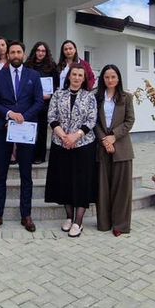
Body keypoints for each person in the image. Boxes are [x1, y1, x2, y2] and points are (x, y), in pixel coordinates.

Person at [0, 41, 44, 232]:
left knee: (26, 175)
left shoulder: (33, 76)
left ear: (24, 54)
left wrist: (23, 118)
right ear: (8, 55)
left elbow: (38, 101)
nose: (15, 55)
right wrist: (10, 114)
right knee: (0, 175)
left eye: (19, 51)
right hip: (3, 129)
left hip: (26, 130)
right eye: (12, 52)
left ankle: (26, 215)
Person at [45, 63, 98, 238]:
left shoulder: (90, 97)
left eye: (80, 75)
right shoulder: (58, 94)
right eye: (74, 74)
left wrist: (75, 136)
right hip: (61, 144)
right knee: (65, 181)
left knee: (81, 183)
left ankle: (78, 222)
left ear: (84, 78)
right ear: (69, 76)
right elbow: (51, 116)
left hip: (83, 145)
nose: (76, 78)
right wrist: (64, 137)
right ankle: (69, 217)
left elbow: (91, 120)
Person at [94, 64, 135, 236]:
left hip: (122, 149)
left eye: (113, 77)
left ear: (118, 78)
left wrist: (113, 137)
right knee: (102, 188)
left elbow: (129, 121)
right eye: (107, 77)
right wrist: (105, 139)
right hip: (102, 147)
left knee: (122, 189)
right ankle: (104, 222)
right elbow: (94, 122)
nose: (110, 80)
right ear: (102, 79)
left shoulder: (126, 97)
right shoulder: (96, 97)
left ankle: (120, 224)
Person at [25, 42, 59, 165]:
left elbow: (56, 85)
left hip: (45, 104)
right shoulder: (27, 66)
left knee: (42, 131)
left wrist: (50, 94)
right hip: (29, 103)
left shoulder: (52, 66)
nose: (40, 53)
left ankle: (40, 156)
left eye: (43, 51)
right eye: (38, 50)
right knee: (29, 129)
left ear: (46, 53)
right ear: (34, 51)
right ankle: (28, 155)